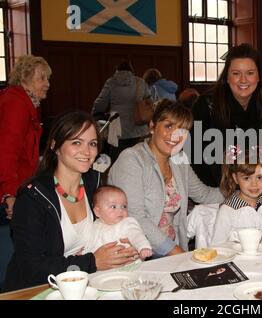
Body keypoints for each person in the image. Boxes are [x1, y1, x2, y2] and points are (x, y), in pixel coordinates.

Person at [3, 111, 138, 292]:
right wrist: (92, 261)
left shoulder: (95, 185)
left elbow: (110, 226)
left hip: (87, 283)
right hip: (39, 289)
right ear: (55, 146)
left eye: (92, 144)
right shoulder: (32, 197)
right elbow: (31, 267)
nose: (86, 151)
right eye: (76, 142)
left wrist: (123, 245)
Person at [108, 100, 224, 257]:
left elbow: (204, 195)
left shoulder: (179, 159)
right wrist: (178, 254)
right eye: (169, 126)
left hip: (169, 251)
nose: (175, 136)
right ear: (152, 126)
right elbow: (136, 217)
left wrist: (239, 189)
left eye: (182, 131)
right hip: (135, 252)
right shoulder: (132, 159)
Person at [0, 54, 51, 289]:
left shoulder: (25, 104)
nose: (47, 84)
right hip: (10, 190)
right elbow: (6, 152)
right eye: (42, 78)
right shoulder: (16, 104)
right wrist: (9, 194)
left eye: (48, 79)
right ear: (25, 77)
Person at [190, 43, 262, 187]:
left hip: (251, 189)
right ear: (227, 77)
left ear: (259, 77)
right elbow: (194, 156)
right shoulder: (205, 105)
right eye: (236, 73)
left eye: (250, 73)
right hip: (211, 191)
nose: (243, 80)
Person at [210, 147, 262, 245]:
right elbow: (217, 246)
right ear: (235, 178)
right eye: (247, 178)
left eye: (259, 177)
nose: (254, 184)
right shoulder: (228, 210)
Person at [92, 60, 149, 164]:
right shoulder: (140, 82)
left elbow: (101, 102)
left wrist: (95, 113)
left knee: (118, 159)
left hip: (117, 127)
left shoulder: (111, 82)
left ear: (117, 71)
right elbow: (149, 101)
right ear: (131, 70)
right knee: (139, 159)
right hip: (139, 126)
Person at [83, 185, 152, 261]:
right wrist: (84, 254)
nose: (120, 210)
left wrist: (143, 247)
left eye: (124, 206)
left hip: (129, 264)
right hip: (103, 267)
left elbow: (137, 235)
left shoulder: (127, 223)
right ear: (98, 212)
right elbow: (91, 244)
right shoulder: (95, 226)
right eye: (113, 207)